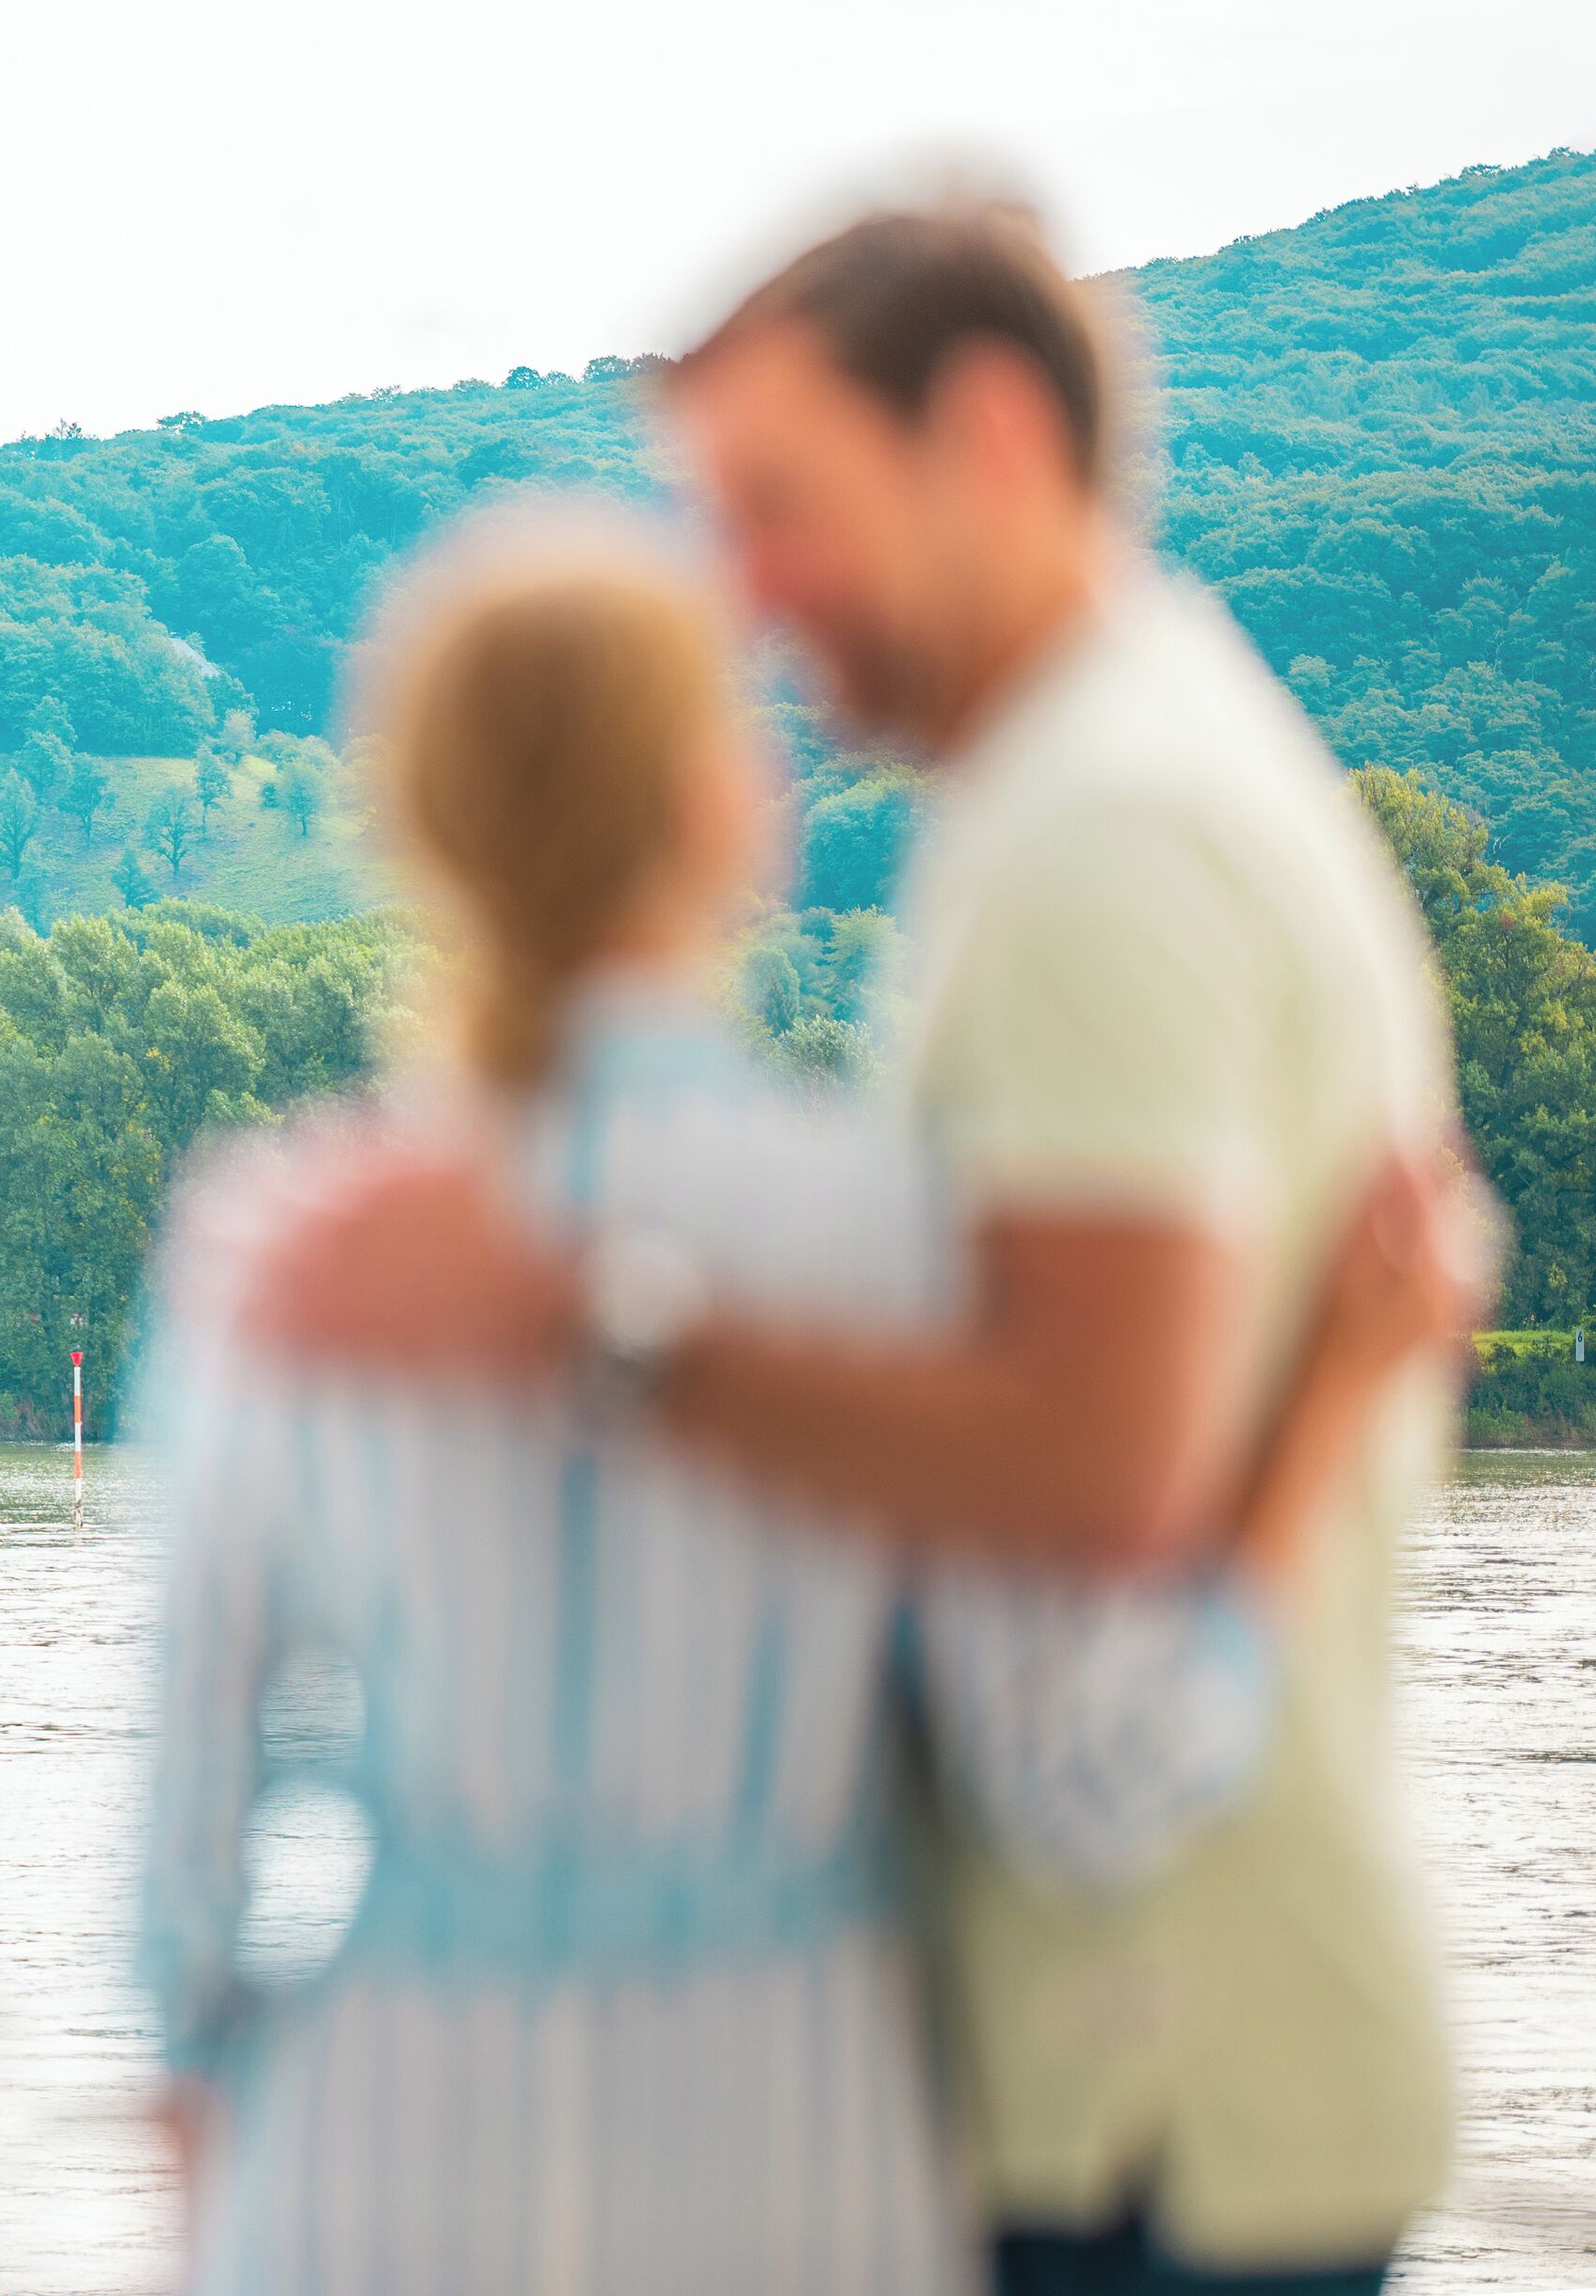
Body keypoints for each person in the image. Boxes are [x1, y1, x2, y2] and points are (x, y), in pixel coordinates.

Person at [240, 204, 1479, 2293]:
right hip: (1107, 2078)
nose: (743, 587)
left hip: (1149, 2102)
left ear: (987, 433)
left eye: (781, 503)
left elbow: (1096, 1462)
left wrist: (595, 1333)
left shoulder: (1101, 833)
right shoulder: (1105, 775)